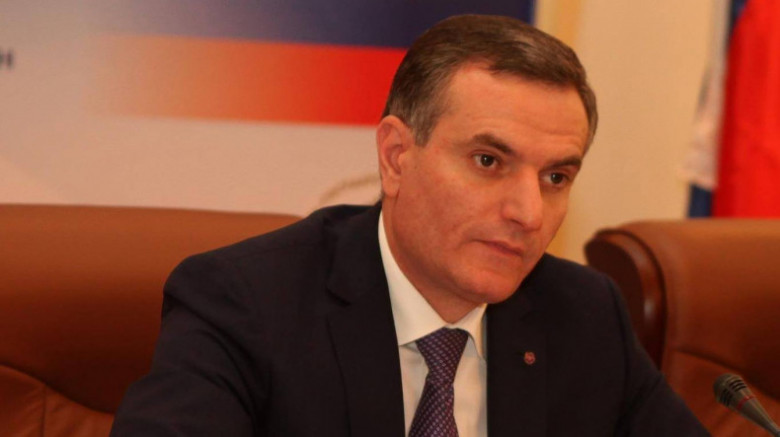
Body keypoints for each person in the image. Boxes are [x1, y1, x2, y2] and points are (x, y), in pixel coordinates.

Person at [110, 14, 708, 437]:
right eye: (488, 161)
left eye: (556, 177)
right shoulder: (246, 303)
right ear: (397, 156)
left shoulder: (583, 314)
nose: (529, 213)